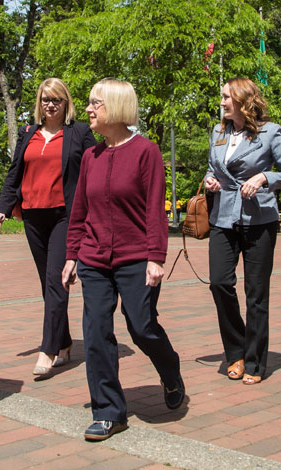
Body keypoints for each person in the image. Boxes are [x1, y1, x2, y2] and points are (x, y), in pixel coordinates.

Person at [60, 79, 185, 442]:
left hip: (136, 258)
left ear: (114, 107)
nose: (88, 110)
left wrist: (155, 257)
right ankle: (109, 411)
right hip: (94, 259)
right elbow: (79, 210)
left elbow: (154, 211)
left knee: (142, 327)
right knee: (96, 332)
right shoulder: (90, 156)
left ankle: (169, 367)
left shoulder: (147, 151)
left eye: (94, 104)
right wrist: (72, 256)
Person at [0, 78, 96, 377]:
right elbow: (14, 174)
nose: (51, 105)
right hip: (33, 216)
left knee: (56, 281)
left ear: (66, 103)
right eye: (45, 99)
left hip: (65, 216)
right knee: (47, 285)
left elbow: (97, 166)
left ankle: (47, 349)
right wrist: (1, 210)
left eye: (57, 100)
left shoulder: (80, 133)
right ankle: (63, 342)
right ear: (39, 103)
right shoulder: (28, 133)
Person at [202, 77, 281, 385]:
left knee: (256, 293)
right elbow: (213, 167)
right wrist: (210, 180)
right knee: (219, 283)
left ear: (242, 100)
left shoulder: (270, 132)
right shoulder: (218, 131)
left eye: (226, 97)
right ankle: (235, 350)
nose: (222, 102)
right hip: (223, 216)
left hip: (259, 220)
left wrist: (265, 177)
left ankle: (253, 360)